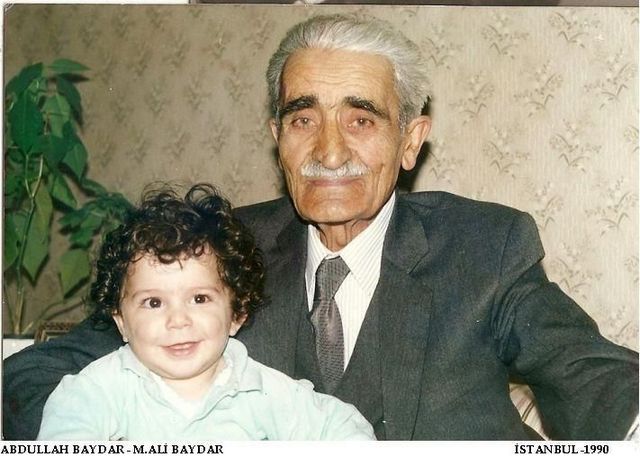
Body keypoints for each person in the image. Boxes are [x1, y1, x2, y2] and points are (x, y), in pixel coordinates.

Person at [3, 13, 638, 441]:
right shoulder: (216, 249)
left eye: (361, 121)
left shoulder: (485, 246)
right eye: (303, 120)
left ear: (410, 140)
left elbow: (591, 375)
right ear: (277, 136)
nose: (329, 152)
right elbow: (37, 374)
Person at [35, 183, 374, 441]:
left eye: (199, 299)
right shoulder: (94, 393)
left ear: (237, 313)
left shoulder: (263, 391)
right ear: (121, 322)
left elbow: (343, 427)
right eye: (154, 303)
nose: (178, 321)